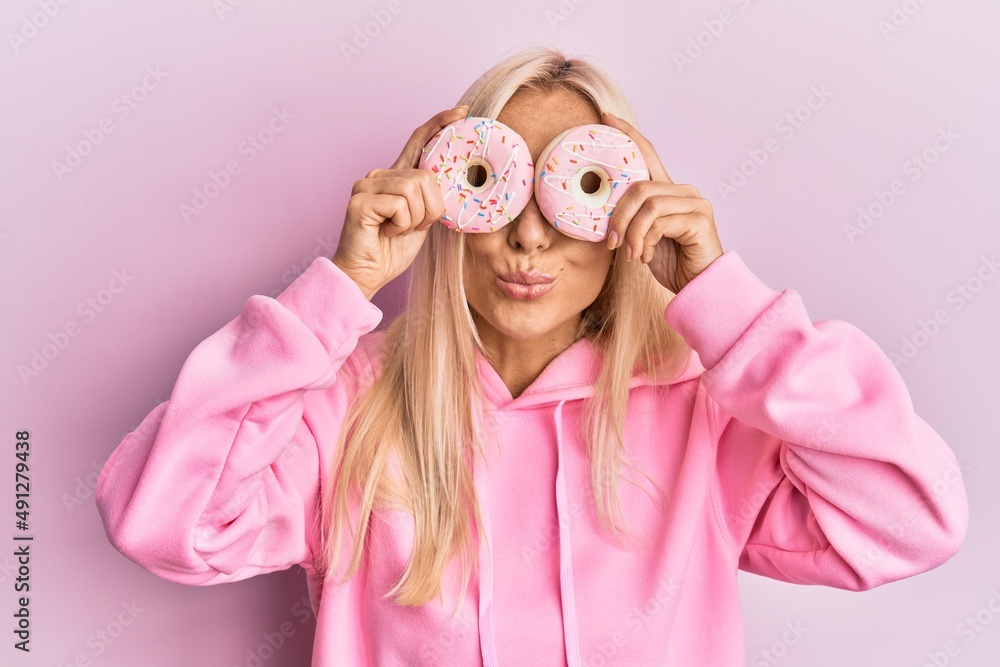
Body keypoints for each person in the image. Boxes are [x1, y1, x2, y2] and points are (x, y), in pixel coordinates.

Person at [95, 46, 969, 666]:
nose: (529, 235)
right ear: (449, 199)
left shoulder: (701, 410)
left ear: (626, 209)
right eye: (496, 187)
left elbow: (912, 520)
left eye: (578, 187)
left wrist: (727, 306)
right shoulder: (349, 405)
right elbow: (163, 522)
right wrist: (337, 288)